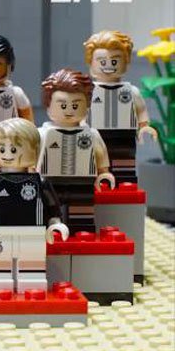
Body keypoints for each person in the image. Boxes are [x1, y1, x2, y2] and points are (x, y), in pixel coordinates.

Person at [0, 118, 68, 293]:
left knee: (32, 263)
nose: (7, 154)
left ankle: (32, 283)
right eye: (1, 149)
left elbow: (51, 205)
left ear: (34, 151)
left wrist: (55, 223)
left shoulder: (40, 182)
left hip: (33, 231)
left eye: (14, 149)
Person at [36, 68, 115, 233]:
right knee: (48, 208)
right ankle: (50, 228)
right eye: (63, 105)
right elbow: (31, 156)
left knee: (82, 210)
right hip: (48, 181)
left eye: (75, 105)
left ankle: (81, 231)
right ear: (48, 105)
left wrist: (103, 173)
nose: (69, 110)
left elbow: (100, 156)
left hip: (83, 181)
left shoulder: (91, 134)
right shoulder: (41, 134)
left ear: (87, 105)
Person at [83, 30, 158, 182]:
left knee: (123, 165)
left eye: (114, 61)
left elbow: (141, 110)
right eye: (102, 61)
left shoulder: (131, 91)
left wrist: (144, 126)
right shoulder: (87, 91)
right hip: (95, 135)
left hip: (124, 137)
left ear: (126, 62)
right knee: (94, 164)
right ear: (91, 63)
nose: (108, 66)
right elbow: (81, 113)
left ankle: (124, 184)